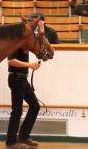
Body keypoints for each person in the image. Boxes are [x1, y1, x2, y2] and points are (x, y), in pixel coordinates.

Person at [6, 15, 58, 149]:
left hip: (21, 78)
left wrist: (42, 32)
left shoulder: (27, 39)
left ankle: (23, 136)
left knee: (34, 106)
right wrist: (30, 65)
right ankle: (11, 142)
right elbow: (10, 61)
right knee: (16, 111)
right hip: (16, 78)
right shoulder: (16, 40)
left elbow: (46, 52)